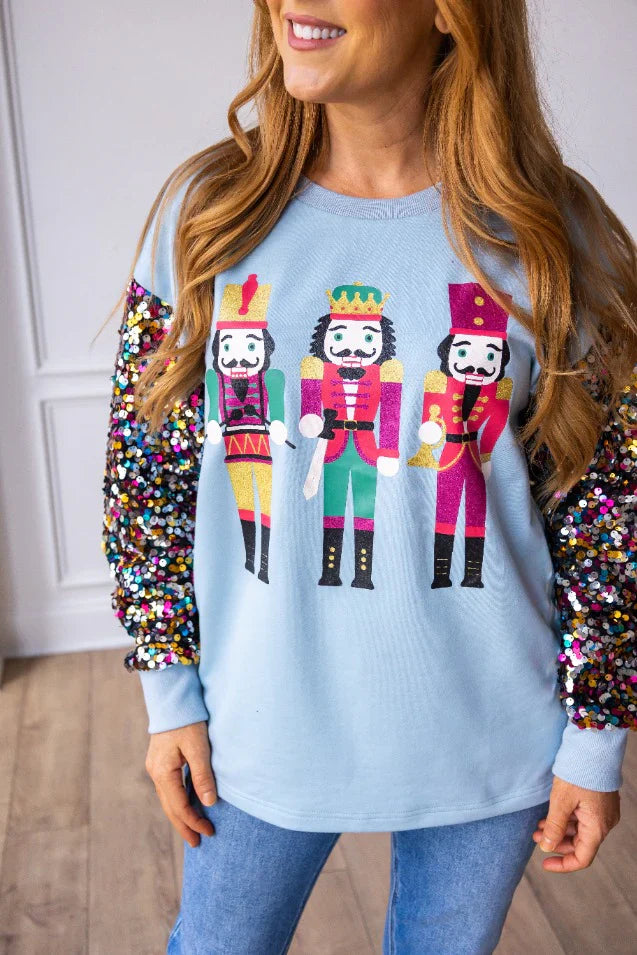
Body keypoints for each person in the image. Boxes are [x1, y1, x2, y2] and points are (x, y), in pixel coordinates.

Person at [100, 2, 636, 952]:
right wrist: (168, 690)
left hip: (488, 735)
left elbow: (608, 518)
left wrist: (594, 740)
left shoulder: (556, 232)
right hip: (256, 731)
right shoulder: (208, 216)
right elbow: (145, 483)